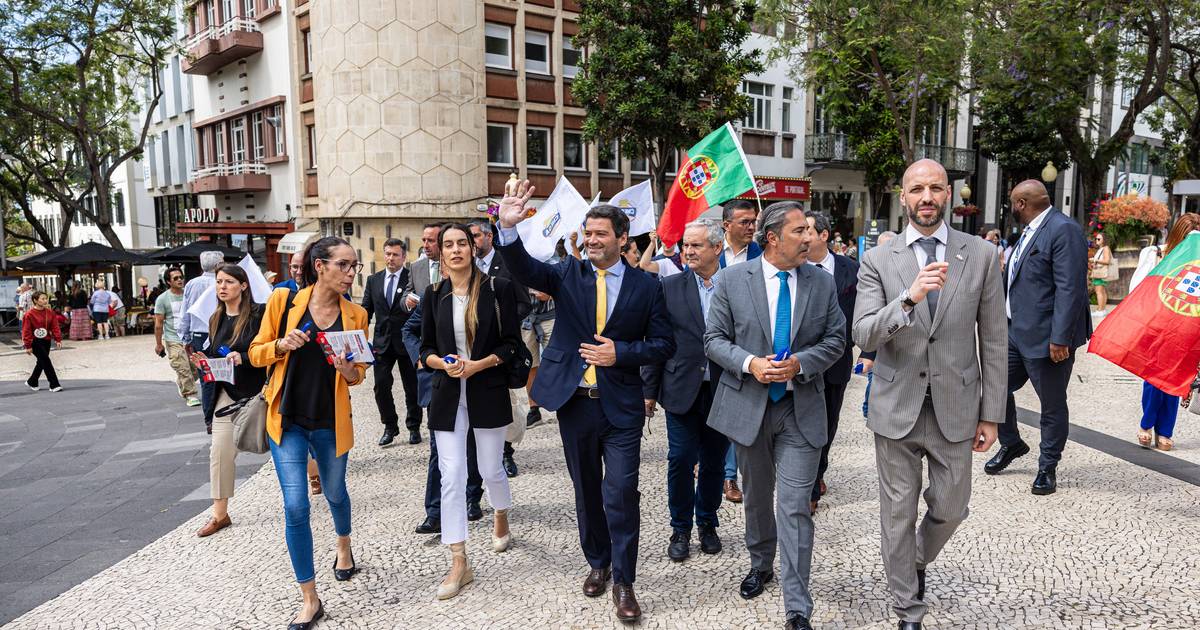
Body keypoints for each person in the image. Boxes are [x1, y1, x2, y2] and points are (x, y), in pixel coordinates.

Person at [496, 181, 675, 623]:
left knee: (621, 492)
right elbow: (522, 268)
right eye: (587, 233)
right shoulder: (565, 275)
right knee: (587, 491)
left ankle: (625, 581)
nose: (592, 240)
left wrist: (622, 353)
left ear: (621, 239)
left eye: (600, 234)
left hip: (622, 408)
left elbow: (663, 344)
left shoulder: (647, 287)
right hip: (575, 403)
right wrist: (507, 227)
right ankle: (598, 561)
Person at [853, 160, 1006, 629]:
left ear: (948, 196)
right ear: (903, 197)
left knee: (951, 507)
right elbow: (863, 334)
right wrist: (909, 299)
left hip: (956, 407)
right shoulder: (879, 260)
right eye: (917, 188)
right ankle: (907, 607)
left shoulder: (979, 254)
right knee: (897, 513)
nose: (926, 196)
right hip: (895, 406)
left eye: (935, 188)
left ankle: (913, 561)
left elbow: (995, 338)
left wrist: (992, 414)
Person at [704, 200, 844, 630]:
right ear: (772, 238)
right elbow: (713, 339)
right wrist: (751, 363)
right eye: (800, 230)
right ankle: (761, 562)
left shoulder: (821, 283)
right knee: (757, 496)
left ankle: (797, 605)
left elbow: (837, 340)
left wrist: (801, 362)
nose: (810, 236)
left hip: (801, 410)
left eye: (809, 230)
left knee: (795, 505)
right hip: (748, 406)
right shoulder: (730, 280)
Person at [248, 236, 368, 630]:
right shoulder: (284, 304)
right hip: (288, 420)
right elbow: (255, 352)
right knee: (296, 506)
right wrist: (281, 345)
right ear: (321, 266)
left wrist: (346, 367)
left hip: (331, 422)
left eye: (355, 267)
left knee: (334, 492)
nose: (351, 273)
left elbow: (357, 377)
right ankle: (310, 598)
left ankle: (344, 544)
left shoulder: (357, 315)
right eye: (345, 265)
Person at [418, 223, 524, 599]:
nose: (456, 249)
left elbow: (513, 344)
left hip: (487, 388)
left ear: (473, 248)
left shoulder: (499, 289)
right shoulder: (433, 294)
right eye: (448, 245)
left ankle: (500, 512)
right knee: (452, 475)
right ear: (441, 253)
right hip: (448, 393)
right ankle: (459, 560)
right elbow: (424, 347)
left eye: (462, 242)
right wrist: (440, 362)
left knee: (490, 467)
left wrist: (479, 364)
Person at [986, 180, 1091, 496]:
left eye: (1010, 203)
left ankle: (1047, 467)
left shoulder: (1064, 230)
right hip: (1014, 333)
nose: (1010, 208)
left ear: (1021, 203)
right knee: (993, 387)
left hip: (1049, 338)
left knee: (1052, 405)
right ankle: (1012, 443)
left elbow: (1071, 289)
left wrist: (1060, 338)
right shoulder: (1028, 232)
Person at [641, 218, 729, 563]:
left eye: (696, 245)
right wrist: (648, 389)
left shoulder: (736, 285)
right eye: (685, 245)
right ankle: (680, 527)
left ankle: (707, 522)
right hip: (680, 389)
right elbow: (656, 341)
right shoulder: (669, 286)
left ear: (717, 248)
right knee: (679, 459)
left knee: (714, 462)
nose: (687, 251)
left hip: (724, 389)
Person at [191, 264, 266, 537]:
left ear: (243, 285)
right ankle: (220, 515)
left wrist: (243, 357)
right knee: (220, 452)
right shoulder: (215, 318)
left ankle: (313, 473)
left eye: (229, 282)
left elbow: (268, 351)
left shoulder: (260, 315)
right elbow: (214, 353)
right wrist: (204, 361)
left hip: (259, 393)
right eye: (219, 282)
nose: (222, 287)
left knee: (284, 443)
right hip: (226, 392)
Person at [802, 209, 861, 514]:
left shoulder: (852, 270)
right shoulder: (794, 269)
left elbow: (867, 310)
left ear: (823, 235)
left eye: (807, 231)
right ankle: (808, 487)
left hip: (837, 364)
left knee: (828, 425)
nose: (802, 236)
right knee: (804, 427)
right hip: (800, 365)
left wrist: (871, 352)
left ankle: (819, 471)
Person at [469, 218, 533, 477]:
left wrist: (501, 325)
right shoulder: (466, 267)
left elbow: (523, 303)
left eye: (474, 236)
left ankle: (505, 452)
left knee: (503, 401)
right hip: (472, 348)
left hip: (502, 346)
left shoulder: (507, 263)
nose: (470, 242)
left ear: (488, 237)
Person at [1133, 213, 1200, 451]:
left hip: (1185, 331)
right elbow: (1137, 288)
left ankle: (1165, 430)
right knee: (1153, 380)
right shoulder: (1155, 254)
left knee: (1174, 380)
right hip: (1157, 327)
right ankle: (1147, 424)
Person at [718, 199, 762, 504]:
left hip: (748, 349)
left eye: (753, 221)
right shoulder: (710, 252)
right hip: (713, 344)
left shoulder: (762, 255)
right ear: (726, 226)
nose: (751, 227)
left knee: (739, 414)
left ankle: (730, 476)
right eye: (744, 222)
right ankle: (709, 460)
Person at [362, 238, 422, 446]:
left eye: (395, 254)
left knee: (412, 388)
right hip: (382, 342)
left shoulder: (411, 278)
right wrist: (360, 338)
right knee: (380, 386)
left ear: (404, 257)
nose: (390, 258)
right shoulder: (373, 280)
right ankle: (390, 426)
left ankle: (414, 427)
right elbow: (365, 311)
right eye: (387, 253)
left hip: (407, 342)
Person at [181, 251, 225, 431]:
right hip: (221, 332)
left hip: (199, 334)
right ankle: (223, 413)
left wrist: (185, 337)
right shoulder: (222, 282)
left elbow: (186, 312)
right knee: (224, 373)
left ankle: (209, 419)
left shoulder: (192, 284)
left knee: (206, 377)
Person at [860, 230, 898, 419]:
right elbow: (869, 318)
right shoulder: (872, 271)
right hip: (878, 338)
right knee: (873, 377)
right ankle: (869, 410)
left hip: (900, 341)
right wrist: (866, 353)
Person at [154, 268, 199, 407]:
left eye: (181, 277)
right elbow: (158, 324)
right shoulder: (163, 299)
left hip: (190, 337)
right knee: (182, 367)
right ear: (168, 281)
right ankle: (190, 394)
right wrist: (159, 344)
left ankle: (182, 382)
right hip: (173, 339)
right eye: (175, 278)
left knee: (196, 369)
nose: (180, 280)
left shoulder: (189, 295)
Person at [23, 291, 63, 392]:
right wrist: (27, 345)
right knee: (46, 361)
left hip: (46, 340)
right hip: (34, 341)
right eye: (42, 299)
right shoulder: (29, 315)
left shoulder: (50, 312)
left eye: (46, 298)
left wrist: (58, 339)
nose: (45, 300)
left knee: (41, 362)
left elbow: (55, 326)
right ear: (35, 301)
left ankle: (32, 381)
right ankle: (54, 384)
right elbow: (26, 330)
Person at [407, 223, 444, 310]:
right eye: (424, 240)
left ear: (443, 241)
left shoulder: (455, 266)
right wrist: (407, 301)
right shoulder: (415, 268)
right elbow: (408, 293)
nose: (425, 246)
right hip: (423, 321)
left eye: (431, 241)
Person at [1089, 232, 1114, 314]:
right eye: (1096, 238)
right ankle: (1102, 309)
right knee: (1102, 291)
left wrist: (1095, 260)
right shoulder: (1101, 249)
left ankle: (1100, 310)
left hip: (1100, 273)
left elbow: (1107, 261)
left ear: (1104, 240)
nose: (1096, 240)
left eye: (1099, 239)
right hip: (1100, 272)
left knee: (1099, 291)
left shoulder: (1105, 248)